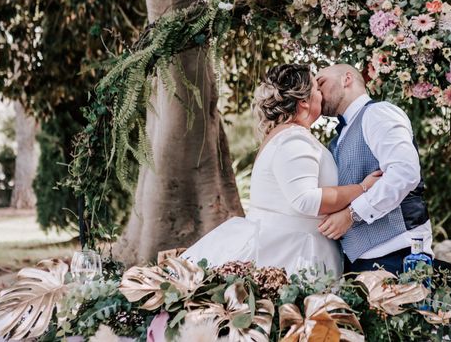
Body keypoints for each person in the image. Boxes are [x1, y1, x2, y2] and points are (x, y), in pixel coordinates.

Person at [181, 64, 382, 276]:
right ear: (303, 101)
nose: (321, 93)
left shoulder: (286, 135)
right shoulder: (293, 139)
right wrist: (362, 188)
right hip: (293, 255)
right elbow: (306, 200)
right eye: (316, 88)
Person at [315, 63, 433, 275]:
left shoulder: (378, 113)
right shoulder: (337, 140)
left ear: (347, 78)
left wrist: (351, 214)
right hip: (358, 260)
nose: (316, 91)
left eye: (321, 82)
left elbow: (404, 173)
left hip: (398, 252)